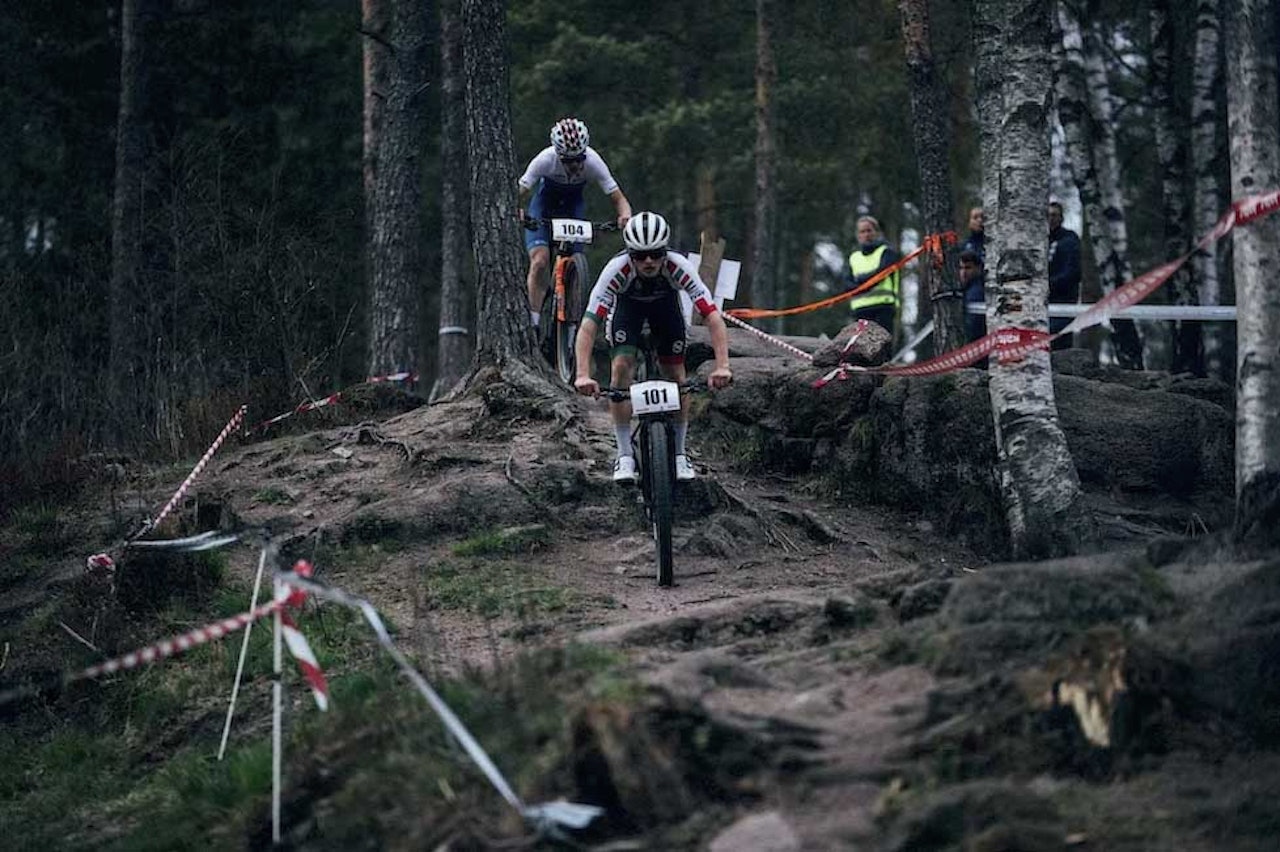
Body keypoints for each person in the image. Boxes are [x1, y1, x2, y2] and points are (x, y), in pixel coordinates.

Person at [573, 211, 733, 484]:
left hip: (665, 310)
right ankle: (624, 455)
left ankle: (680, 454)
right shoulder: (616, 270)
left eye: (656, 254)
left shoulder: (678, 266)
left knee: (677, 376)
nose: (648, 261)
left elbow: (713, 317)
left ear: (665, 251)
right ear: (629, 254)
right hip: (628, 311)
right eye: (640, 255)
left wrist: (723, 366)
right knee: (621, 369)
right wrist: (582, 374)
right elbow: (589, 325)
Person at [517, 117, 632, 332]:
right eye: (569, 161)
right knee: (540, 261)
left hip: (572, 208)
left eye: (580, 159)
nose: (577, 165)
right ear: (558, 155)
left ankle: (569, 314)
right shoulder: (545, 159)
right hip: (543, 207)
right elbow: (520, 191)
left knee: (575, 260)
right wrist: (517, 210)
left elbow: (619, 199)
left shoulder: (593, 161)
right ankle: (532, 324)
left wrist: (625, 216)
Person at [845, 215, 901, 336]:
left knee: (882, 347)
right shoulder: (854, 257)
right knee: (860, 350)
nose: (866, 234)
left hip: (883, 307)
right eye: (862, 231)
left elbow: (880, 274)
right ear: (858, 235)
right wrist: (860, 285)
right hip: (860, 310)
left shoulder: (887, 252)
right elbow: (847, 283)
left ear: (877, 232)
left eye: (869, 230)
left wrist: (860, 282)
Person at [1048, 201, 1081, 350]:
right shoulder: (1037, 242)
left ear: (1061, 218)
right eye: (1047, 215)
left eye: (1054, 215)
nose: (1051, 219)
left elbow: (1072, 272)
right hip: (1039, 303)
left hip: (1063, 301)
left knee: (1059, 344)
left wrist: (1049, 285)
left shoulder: (1069, 240)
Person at [960, 249, 986, 342]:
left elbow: (974, 326)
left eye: (968, 268)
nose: (964, 273)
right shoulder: (964, 291)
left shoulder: (976, 293)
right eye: (961, 268)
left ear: (978, 268)